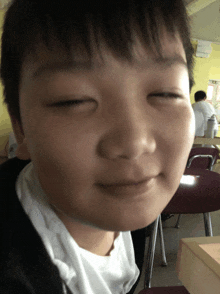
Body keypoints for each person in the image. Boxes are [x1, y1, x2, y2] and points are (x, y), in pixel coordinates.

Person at [0, 0, 195, 293]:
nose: (134, 142)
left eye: (166, 93)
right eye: (73, 100)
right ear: (21, 128)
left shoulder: (130, 203)